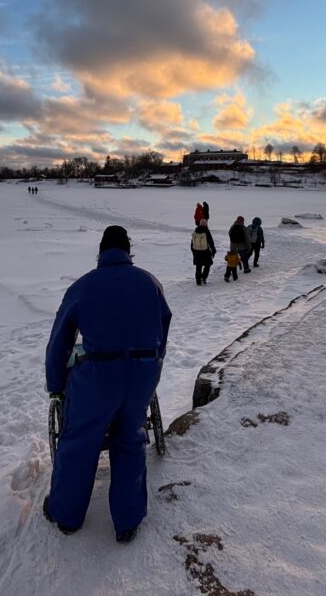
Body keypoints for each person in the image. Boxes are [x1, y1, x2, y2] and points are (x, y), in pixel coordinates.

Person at [43, 225, 172, 543]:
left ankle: (66, 515)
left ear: (101, 252)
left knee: (79, 441)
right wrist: (152, 366)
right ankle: (127, 522)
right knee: (130, 438)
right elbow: (162, 328)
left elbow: (59, 343)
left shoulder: (83, 287)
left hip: (100, 374)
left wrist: (56, 385)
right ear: (129, 251)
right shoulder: (150, 282)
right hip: (142, 373)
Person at [191, 219, 216, 285]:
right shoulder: (206, 231)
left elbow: (192, 243)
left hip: (197, 252)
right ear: (206, 224)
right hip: (205, 252)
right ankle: (203, 277)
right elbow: (211, 242)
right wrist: (213, 250)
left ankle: (198, 280)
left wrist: (194, 252)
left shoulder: (196, 231)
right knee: (208, 264)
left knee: (198, 266)